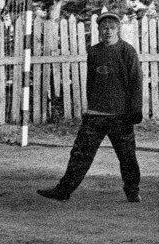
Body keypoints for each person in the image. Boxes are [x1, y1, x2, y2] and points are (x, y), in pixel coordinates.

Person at [38, 13, 143, 203]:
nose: (108, 31)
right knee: (80, 154)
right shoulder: (94, 52)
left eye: (111, 27)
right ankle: (64, 191)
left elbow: (136, 81)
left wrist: (135, 109)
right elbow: (91, 82)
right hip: (96, 114)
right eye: (104, 28)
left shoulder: (127, 51)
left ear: (118, 29)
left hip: (120, 115)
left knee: (127, 157)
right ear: (98, 31)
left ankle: (132, 191)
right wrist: (90, 106)